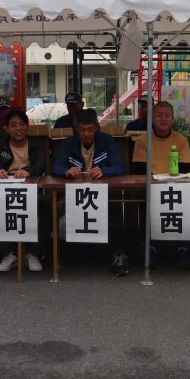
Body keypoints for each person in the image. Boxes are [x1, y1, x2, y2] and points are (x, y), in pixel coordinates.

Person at [52, 108, 128, 275]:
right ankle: (108, 253)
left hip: (103, 196)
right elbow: (56, 167)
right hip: (75, 198)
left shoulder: (106, 141)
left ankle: (116, 254)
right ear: (76, 130)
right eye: (82, 130)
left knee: (103, 213)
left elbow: (119, 167)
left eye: (90, 129)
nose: (86, 134)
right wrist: (66, 171)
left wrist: (104, 171)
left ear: (97, 128)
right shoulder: (68, 143)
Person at [131, 101, 190, 268]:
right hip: (151, 187)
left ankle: (183, 247)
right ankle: (150, 247)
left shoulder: (181, 140)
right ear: (152, 118)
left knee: (185, 200)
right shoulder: (143, 140)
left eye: (167, 115)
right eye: (159, 115)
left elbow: (185, 168)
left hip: (177, 186)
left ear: (173, 118)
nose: (163, 119)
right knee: (147, 200)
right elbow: (139, 169)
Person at [0, 108, 50, 273]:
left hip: (32, 193)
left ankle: (33, 254)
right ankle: (8, 254)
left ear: (27, 126)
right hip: (6, 194)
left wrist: (29, 171)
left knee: (47, 209)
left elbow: (40, 165)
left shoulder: (37, 144)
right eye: (13, 125)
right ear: (6, 128)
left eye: (22, 124)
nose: (18, 128)